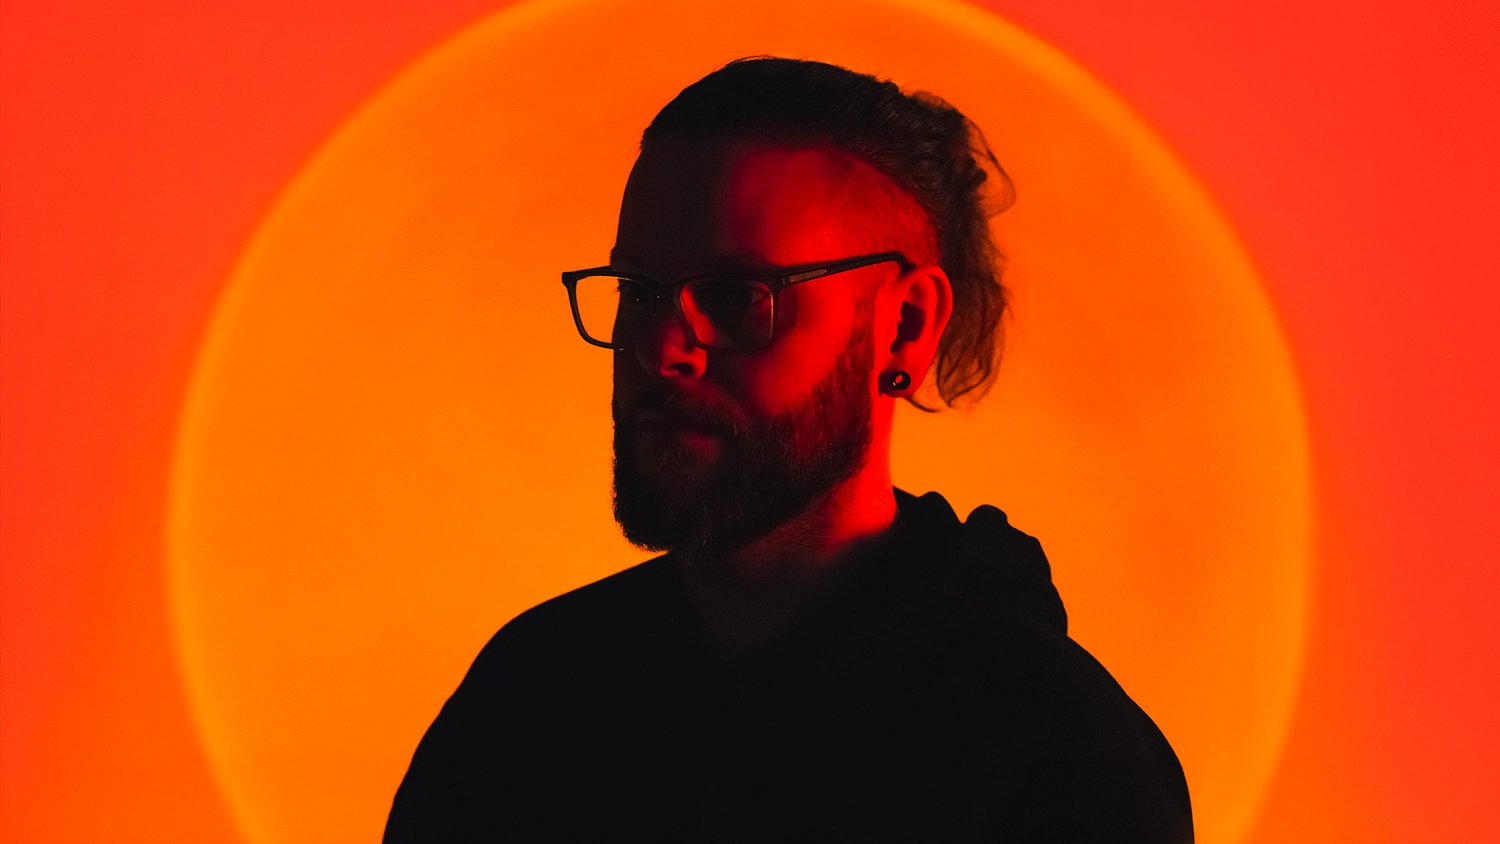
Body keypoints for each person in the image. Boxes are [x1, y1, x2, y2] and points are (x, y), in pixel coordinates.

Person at [384, 57, 1193, 842]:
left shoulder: (1056, 757)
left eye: (740, 296)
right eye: (637, 291)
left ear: (905, 327)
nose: (661, 349)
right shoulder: (533, 698)